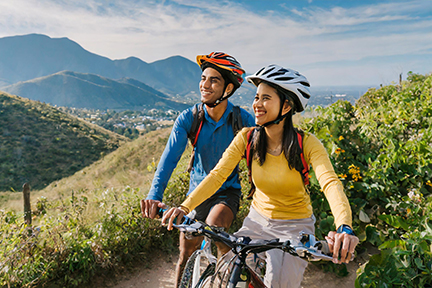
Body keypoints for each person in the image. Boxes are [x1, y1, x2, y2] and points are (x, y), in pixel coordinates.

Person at [162, 64, 360, 288]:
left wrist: (344, 226)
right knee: (227, 275)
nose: (257, 104)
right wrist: (185, 207)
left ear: (286, 106)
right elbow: (217, 175)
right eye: (256, 97)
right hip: (257, 222)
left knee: (278, 283)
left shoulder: (307, 144)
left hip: (295, 226)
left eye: (266, 98)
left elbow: (330, 183)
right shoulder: (247, 138)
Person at [141, 52, 255, 287]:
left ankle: (226, 277)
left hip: (227, 193)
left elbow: (262, 159)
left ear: (228, 88)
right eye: (203, 78)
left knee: (216, 227)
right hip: (196, 196)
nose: (205, 85)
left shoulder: (242, 120)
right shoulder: (190, 118)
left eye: (214, 80)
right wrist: (154, 196)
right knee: (185, 253)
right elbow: (168, 160)